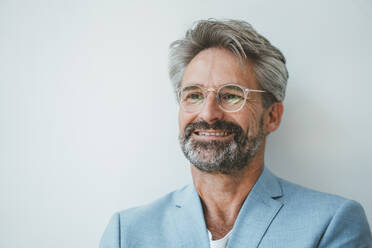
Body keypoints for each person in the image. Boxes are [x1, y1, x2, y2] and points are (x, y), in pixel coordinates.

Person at [100, 19, 372, 248]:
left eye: (231, 95)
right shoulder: (127, 232)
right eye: (193, 95)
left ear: (272, 116)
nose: (207, 114)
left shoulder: (332, 222)